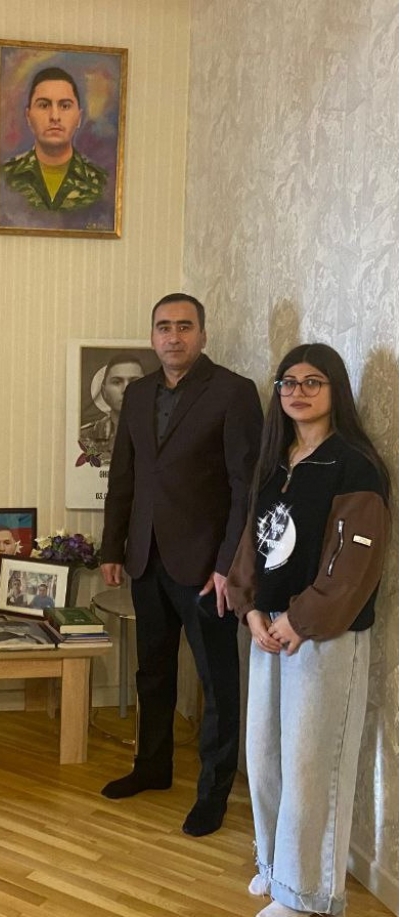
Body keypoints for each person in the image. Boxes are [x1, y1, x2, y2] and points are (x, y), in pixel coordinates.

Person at [226, 344, 390, 917]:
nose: (298, 392)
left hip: (323, 637)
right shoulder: (276, 462)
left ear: (334, 389)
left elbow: (354, 562)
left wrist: (300, 620)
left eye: (312, 381)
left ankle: (307, 897)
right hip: (268, 631)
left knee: (310, 765)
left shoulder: (355, 465)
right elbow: (254, 542)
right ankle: (276, 871)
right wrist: (250, 609)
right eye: (288, 382)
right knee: (265, 758)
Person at [98, 292, 263, 837]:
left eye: (185, 326)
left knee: (217, 682)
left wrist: (228, 565)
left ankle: (213, 794)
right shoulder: (139, 393)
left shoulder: (234, 392)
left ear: (203, 334)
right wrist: (113, 547)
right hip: (146, 558)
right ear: (152, 337)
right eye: (164, 327)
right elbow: (124, 475)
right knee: (153, 671)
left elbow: (245, 488)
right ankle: (152, 768)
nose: (174, 336)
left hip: (207, 569)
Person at [0, 66, 108, 212]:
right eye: (44, 105)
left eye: (65, 106)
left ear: (79, 118)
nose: (55, 116)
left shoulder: (102, 184)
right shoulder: (4, 178)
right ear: (28, 117)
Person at [78, 352, 146, 464]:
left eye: (135, 382)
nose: (126, 390)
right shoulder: (83, 437)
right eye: (117, 382)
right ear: (104, 392)